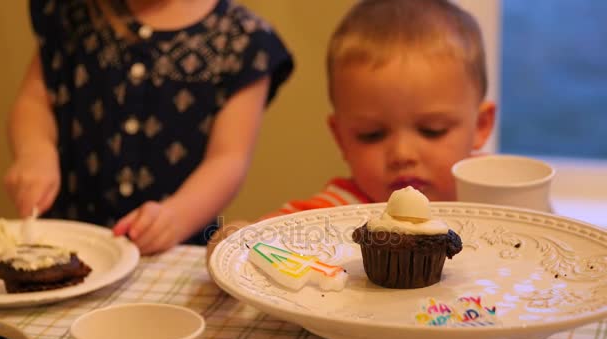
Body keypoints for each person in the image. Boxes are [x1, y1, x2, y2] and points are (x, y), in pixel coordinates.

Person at [207, 0, 495, 260]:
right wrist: (235, 238)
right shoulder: (337, 209)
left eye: (433, 130)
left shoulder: (496, 200)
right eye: (372, 134)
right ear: (341, 138)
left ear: (481, 126)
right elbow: (264, 239)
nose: (402, 154)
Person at [3, 0, 294, 255]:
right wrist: (34, 152)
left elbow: (228, 158)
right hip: (68, 239)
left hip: (169, 250)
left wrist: (177, 216)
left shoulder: (243, 40)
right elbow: (35, 101)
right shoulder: (71, 12)